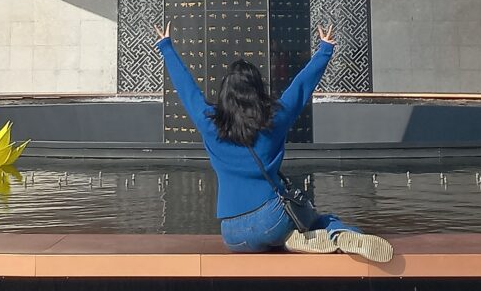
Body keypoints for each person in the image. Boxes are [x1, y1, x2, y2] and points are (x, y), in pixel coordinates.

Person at [155, 22, 393, 262]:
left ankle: (290, 239)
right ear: (257, 89)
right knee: (319, 219)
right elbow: (300, 88)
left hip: (233, 234)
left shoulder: (209, 123)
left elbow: (187, 90)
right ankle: (335, 234)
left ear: (225, 93)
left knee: (270, 230)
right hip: (272, 220)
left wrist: (166, 47)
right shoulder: (274, 119)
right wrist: (324, 50)